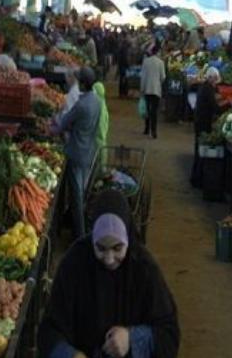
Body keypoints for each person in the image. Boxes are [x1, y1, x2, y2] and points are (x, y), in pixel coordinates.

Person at [38, 190, 180, 358]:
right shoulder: (75, 263)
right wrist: (71, 355)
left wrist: (132, 339)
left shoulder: (143, 268)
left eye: (117, 248)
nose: (109, 259)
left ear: (128, 239)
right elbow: (49, 330)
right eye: (100, 248)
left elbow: (169, 334)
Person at [52, 67, 101, 238]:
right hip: (89, 151)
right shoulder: (96, 101)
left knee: (76, 197)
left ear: (83, 84)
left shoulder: (81, 105)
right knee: (83, 192)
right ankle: (78, 229)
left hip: (76, 153)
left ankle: (79, 235)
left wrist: (54, 118)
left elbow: (63, 124)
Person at [191, 67, 226, 188]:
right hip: (203, 123)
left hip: (199, 121)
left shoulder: (205, 87)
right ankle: (197, 179)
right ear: (211, 78)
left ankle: (195, 178)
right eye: (215, 79)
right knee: (201, 151)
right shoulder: (208, 89)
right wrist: (228, 106)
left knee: (198, 150)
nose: (216, 82)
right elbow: (215, 108)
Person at [141, 44, 166, 139]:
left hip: (147, 89)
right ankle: (154, 131)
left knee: (147, 110)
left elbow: (143, 77)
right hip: (156, 90)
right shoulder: (161, 63)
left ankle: (146, 129)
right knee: (154, 111)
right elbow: (163, 77)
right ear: (158, 52)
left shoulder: (146, 62)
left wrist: (142, 89)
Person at [92, 81, 109, 168]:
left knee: (98, 164)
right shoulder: (102, 104)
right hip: (101, 141)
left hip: (98, 140)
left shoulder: (99, 107)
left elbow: (100, 127)